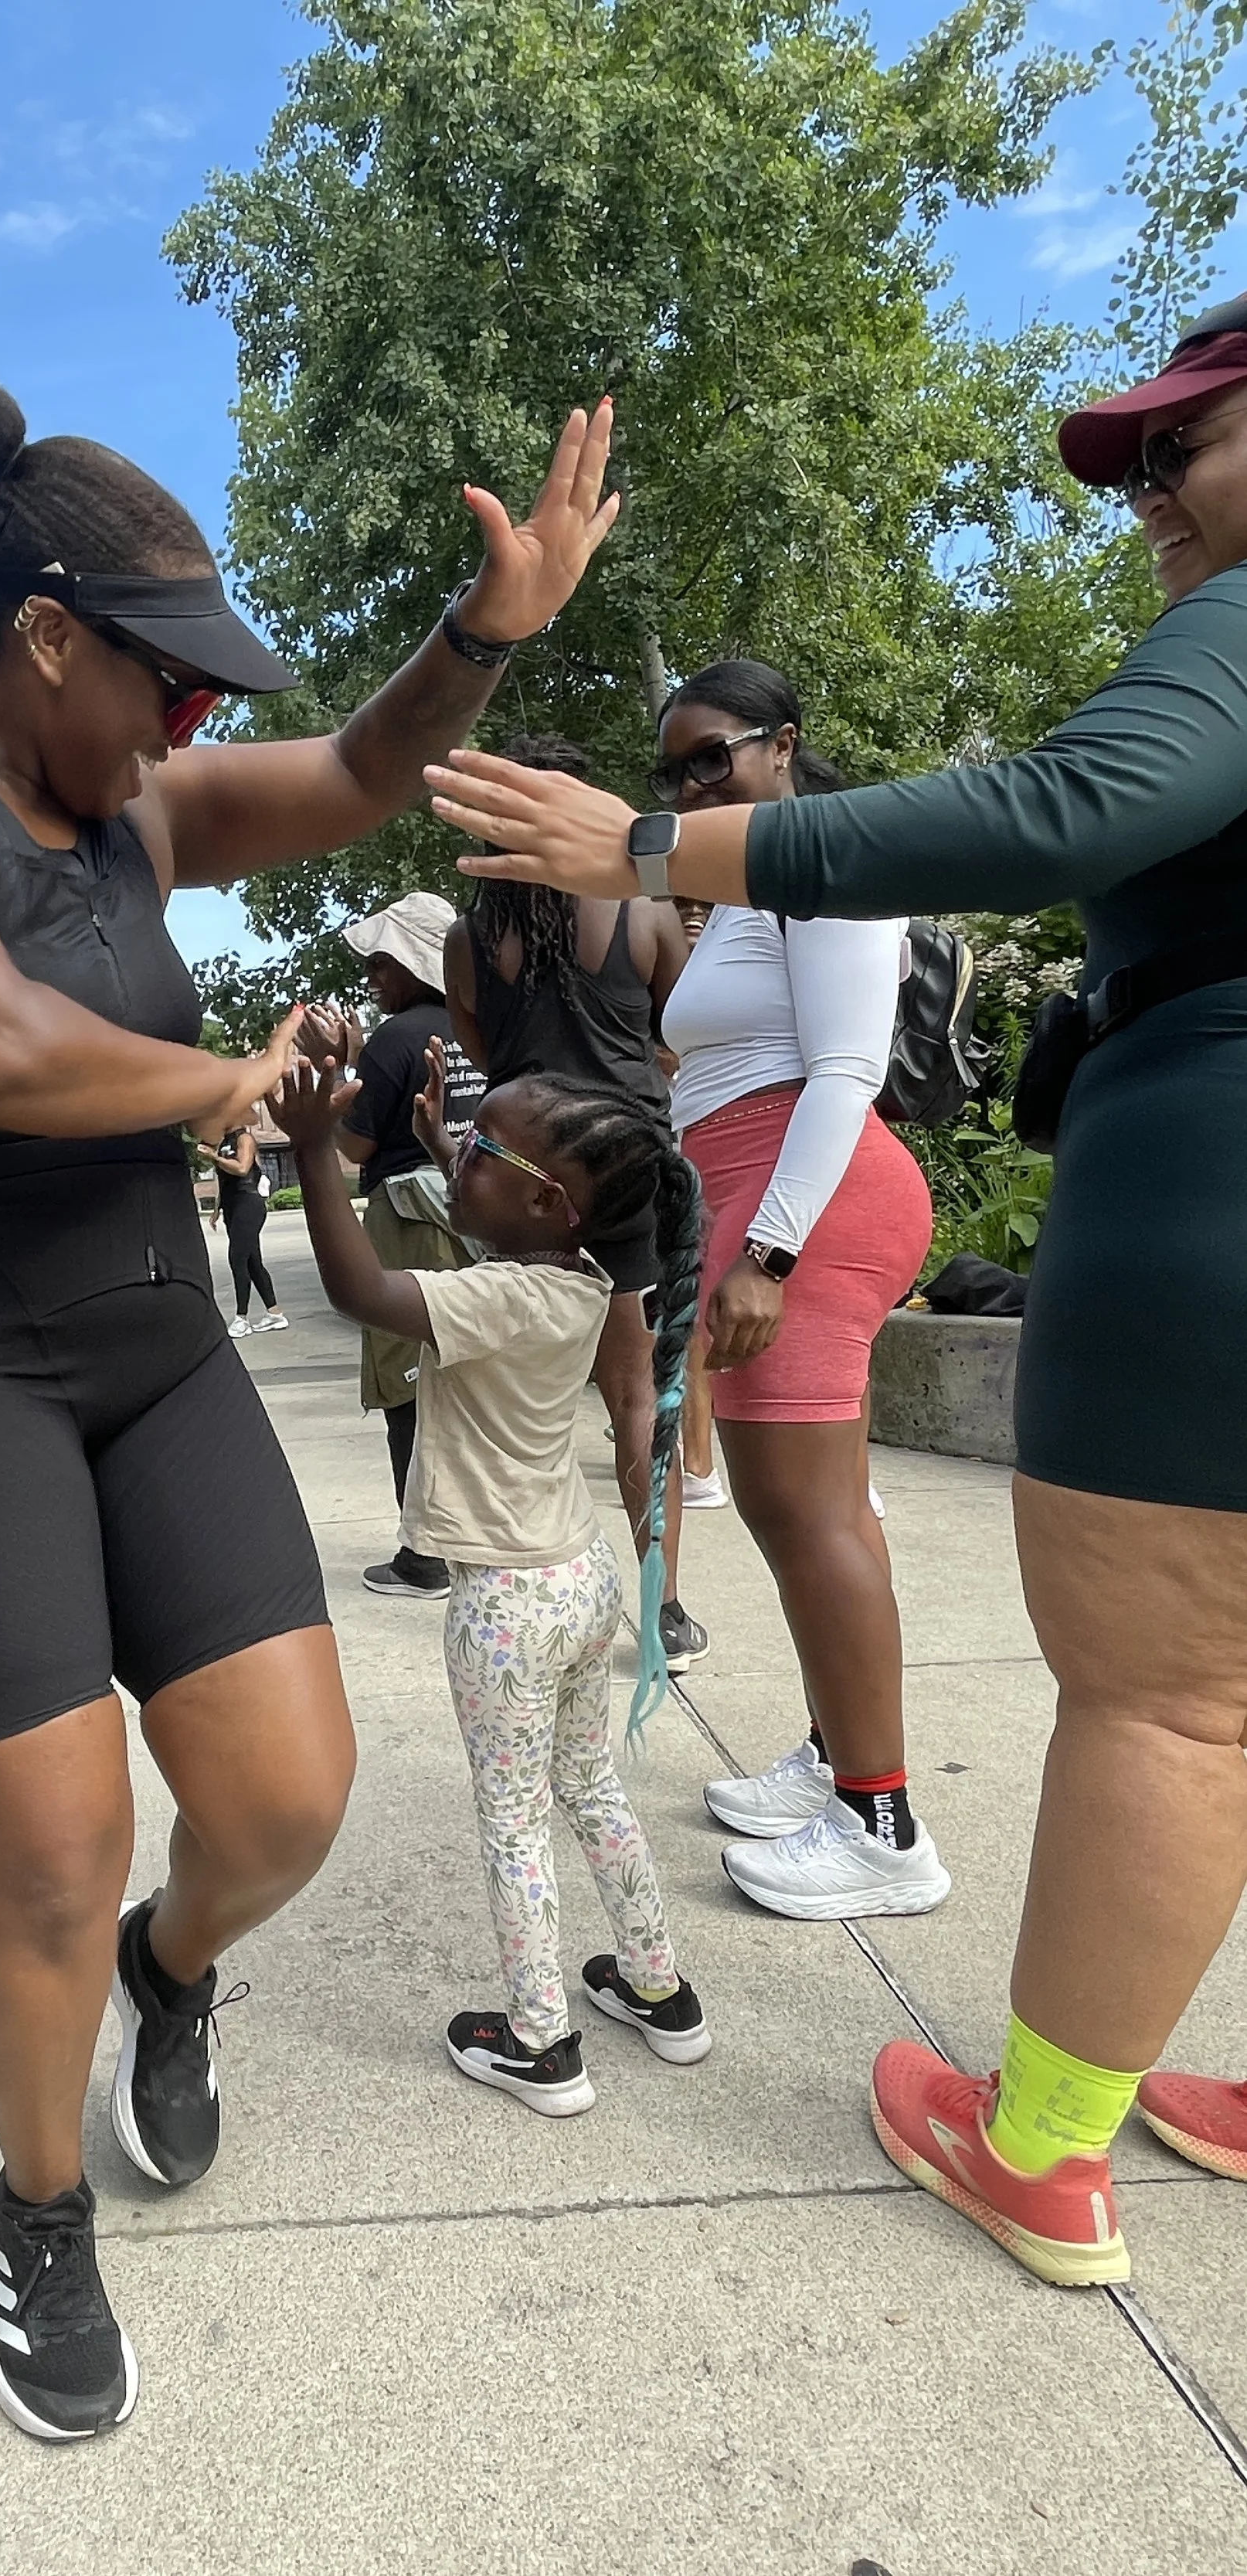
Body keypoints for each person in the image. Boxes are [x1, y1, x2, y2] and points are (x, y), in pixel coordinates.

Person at [0, 375, 623, 2437]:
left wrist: (486, 630)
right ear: (45, 631)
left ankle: (173, 1964)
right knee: (44, 1856)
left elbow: (347, 769)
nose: (185, 730)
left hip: (149, 1338)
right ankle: (38, 2199)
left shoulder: (143, 803)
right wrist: (226, 1080)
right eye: (165, 682)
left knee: (278, 1803)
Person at [425, 293, 1247, 2285]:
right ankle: (879, 1806)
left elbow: (924, 974)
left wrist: (662, 847)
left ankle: (1004, 2062)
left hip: (1029, 1190)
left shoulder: (1211, 640)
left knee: (1165, 1690)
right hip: (778, 1193)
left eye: (1181, 448)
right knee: (828, 1530)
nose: (1145, 490)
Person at [444, 663, 943, 1923]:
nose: (688, 786)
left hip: (806, 1209)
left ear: (785, 745)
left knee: (805, 1512)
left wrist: (769, 1254)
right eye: (671, 770)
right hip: (755, 1200)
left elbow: (842, 1071)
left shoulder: (829, 861)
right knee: (804, 1512)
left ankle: (883, 1825)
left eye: (711, 758)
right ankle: (841, 1762)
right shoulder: (740, 888)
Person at [275, 1053, 709, 2111]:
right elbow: (502, 1226)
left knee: (513, 1821)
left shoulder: (494, 1297)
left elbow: (359, 1289)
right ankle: (659, 1987)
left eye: (478, 1152)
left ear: (545, 1201)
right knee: (590, 1786)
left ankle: (540, 2040)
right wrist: (443, 1151)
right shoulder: (582, 1273)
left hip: (505, 1607)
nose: (459, 1159)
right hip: (577, 1574)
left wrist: (311, 1153)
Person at [444, 733, 711, 1673]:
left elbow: (488, 1063)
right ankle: (661, 1606)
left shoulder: (465, 940)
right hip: (630, 1176)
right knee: (638, 1398)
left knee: (524, 1396)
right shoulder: (642, 911)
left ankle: (525, 1578)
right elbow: (684, 1029)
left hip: (523, 1191)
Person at [306, 890, 484, 1598]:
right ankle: (479, 1538)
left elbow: (352, 1146)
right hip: (483, 1216)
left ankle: (424, 1556)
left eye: (383, 963)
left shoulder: (394, 1039)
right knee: (473, 1378)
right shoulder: (483, 1027)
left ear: (417, 963)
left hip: (410, 1221)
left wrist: (342, 1068)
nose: (373, 977)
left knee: (405, 1377)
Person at [668, 900, 727, 1510]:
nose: (688, 915)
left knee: (689, 1325)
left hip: (709, 1159)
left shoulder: (705, 981)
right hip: (705, 1153)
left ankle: (701, 1466)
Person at [204, 1123, 287, 1337]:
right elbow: (225, 1181)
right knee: (252, 1261)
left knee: (237, 1258)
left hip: (248, 1202)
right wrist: (217, 1209)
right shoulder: (225, 1142)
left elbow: (242, 1169)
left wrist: (215, 1157)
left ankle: (242, 1318)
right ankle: (275, 1314)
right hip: (232, 1205)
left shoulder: (244, 1139)